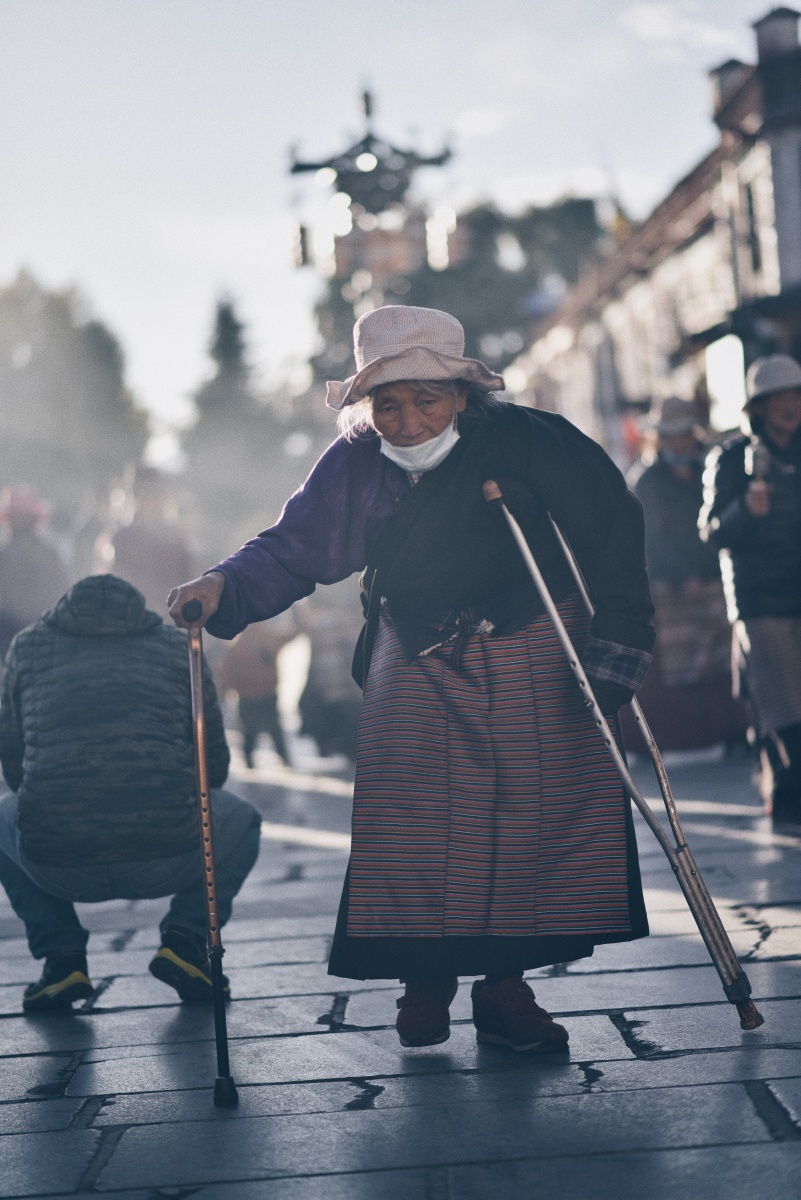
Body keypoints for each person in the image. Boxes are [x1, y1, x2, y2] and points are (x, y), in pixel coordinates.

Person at [169, 306, 654, 1053]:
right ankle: (423, 982)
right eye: (386, 404)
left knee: (521, 824)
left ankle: (503, 991)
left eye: (425, 398)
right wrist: (221, 586)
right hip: (418, 642)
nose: (406, 420)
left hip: (530, 634)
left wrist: (618, 643)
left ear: (462, 394)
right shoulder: (356, 462)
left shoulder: (529, 440)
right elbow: (295, 548)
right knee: (414, 821)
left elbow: (612, 530)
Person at [0, 574, 261, 1011]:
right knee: (244, 819)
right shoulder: (177, 645)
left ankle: (61, 958)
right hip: (169, 853)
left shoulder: (27, 646)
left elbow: (12, 760)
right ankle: (187, 937)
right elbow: (212, 765)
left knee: (5, 818)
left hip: (58, 862)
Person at [700, 354, 801, 821]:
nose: (789, 405)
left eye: (795, 395)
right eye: (777, 398)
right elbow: (713, 530)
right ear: (757, 407)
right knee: (783, 706)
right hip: (761, 602)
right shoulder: (731, 459)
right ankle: (789, 792)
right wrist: (746, 509)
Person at [624, 397, 748, 751]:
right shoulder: (646, 481)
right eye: (672, 435)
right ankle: (680, 737)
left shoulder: (711, 469)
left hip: (716, 579)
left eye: (684, 433)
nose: (681, 441)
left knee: (725, 661)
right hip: (671, 587)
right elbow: (650, 539)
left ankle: (732, 733)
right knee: (683, 663)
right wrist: (681, 578)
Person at [102, 466, 195, 620]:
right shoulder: (122, 537)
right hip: (138, 622)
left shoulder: (176, 537)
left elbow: (188, 584)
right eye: (144, 493)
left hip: (166, 622)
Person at [0, 485, 71, 660]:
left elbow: (64, 595)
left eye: (23, 519)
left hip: (44, 638)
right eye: (15, 519)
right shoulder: (3, 557)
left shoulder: (50, 556)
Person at [216, 613, 296, 768]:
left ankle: (250, 760)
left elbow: (227, 673)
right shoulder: (267, 640)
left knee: (250, 730)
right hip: (265, 694)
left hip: (249, 696)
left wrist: (225, 692)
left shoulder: (238, 646)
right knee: (272, 729)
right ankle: (282, 758)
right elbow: (289, 636)